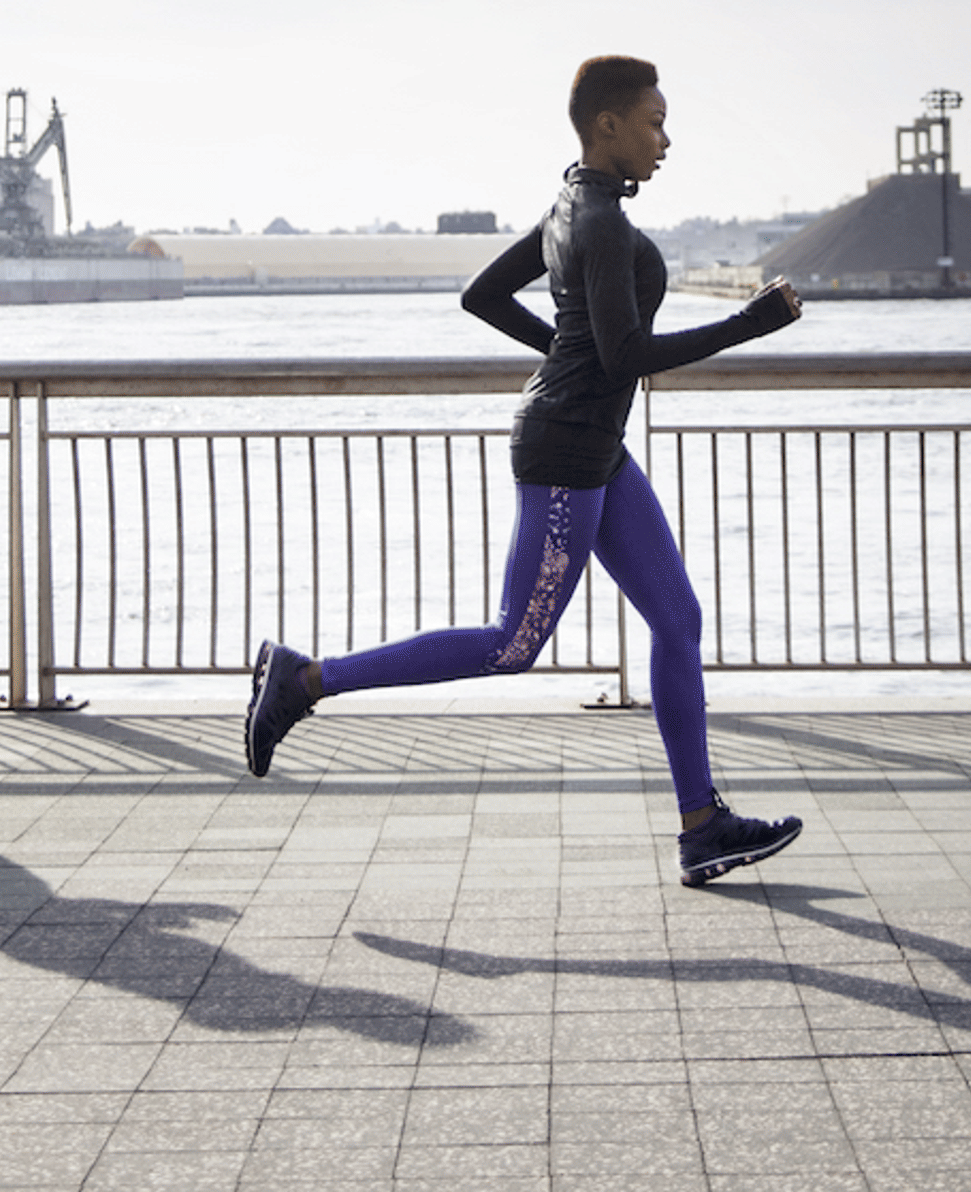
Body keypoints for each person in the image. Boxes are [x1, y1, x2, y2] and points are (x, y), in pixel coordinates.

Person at [243, 55, 808, 885]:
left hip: (595, 449)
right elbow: (625, 356)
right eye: (654, 123)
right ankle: (306, 678)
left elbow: (485, 296)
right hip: (567, 458)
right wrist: (746, 324)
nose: (666, 139)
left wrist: (568, 357)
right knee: (514, 642)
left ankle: (702, 825)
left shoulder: (571, 206)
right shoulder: (600, 223)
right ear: (607, 126)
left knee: (677, 619)